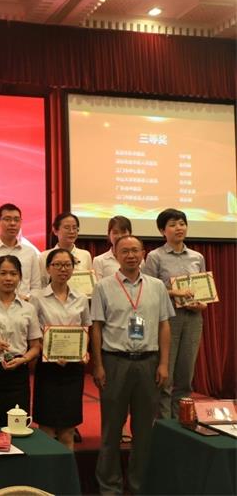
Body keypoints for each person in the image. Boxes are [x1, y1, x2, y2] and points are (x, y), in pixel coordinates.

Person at [91, 235, 173, 495]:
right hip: (115, 362)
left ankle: (139, 486)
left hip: (148, 363)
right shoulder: (103, 286)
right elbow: (96, 327)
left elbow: (164, 325)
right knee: (111, 431)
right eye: (124, 251)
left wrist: (163, 363)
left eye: (135, 250)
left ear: (143, 254)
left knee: (144, 432)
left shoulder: (157, 286)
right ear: (115, 254)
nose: (130, 255)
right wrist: (98, 365)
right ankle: (109, 487)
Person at [142, 208, 207, 419]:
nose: (179, 228)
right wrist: (173, 292)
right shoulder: (155, 256)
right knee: (165, 375)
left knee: (186, 374)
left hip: (193, 318)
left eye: (182, 223)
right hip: (168, 319)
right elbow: (147, 289)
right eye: (172, 224)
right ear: (162, 230)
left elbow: (203, 289)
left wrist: (202, 303)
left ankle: (181, 423)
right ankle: (163, 424)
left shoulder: (197, 257)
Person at [30, 249, 91, 450]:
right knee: (46, 429)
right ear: (48, 268)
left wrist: (83, 351)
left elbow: (86, 328)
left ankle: (67, 470)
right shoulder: (37, 297)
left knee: (67, 431)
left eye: (67, 265)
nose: (62, 269)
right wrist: (48, 352)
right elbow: (34, 333)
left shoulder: (81, 298)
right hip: (48, 367)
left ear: (73, 269)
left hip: (73, 369)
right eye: (57, 264)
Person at [0, 255, 42, 427]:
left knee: (17, 426)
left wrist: (24, 359)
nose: (8, 278)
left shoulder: (29, 308)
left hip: (18, 370)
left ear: (20, 277)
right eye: (3, 273)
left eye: (13, 274)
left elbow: (35, 346)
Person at [0, 203, 41, 298]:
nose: (12, 223)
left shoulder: (30, 252)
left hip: (24, 304)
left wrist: (27, 299)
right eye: (7, 219)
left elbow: (36, 287)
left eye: (16, 220)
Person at [39, 212, 92, 286]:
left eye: (74, 228)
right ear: (55, 231)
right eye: (67, 228)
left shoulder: (85, 255)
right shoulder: (44, 256)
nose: (72, 231)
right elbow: (42, 284)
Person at [92, 215, 133, 280]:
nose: (119, 236)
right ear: (109, 235)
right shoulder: (99, 261)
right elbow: (98, 285)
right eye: (115, 232)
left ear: (130, 234)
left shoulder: (138, 259)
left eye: (123, 232)